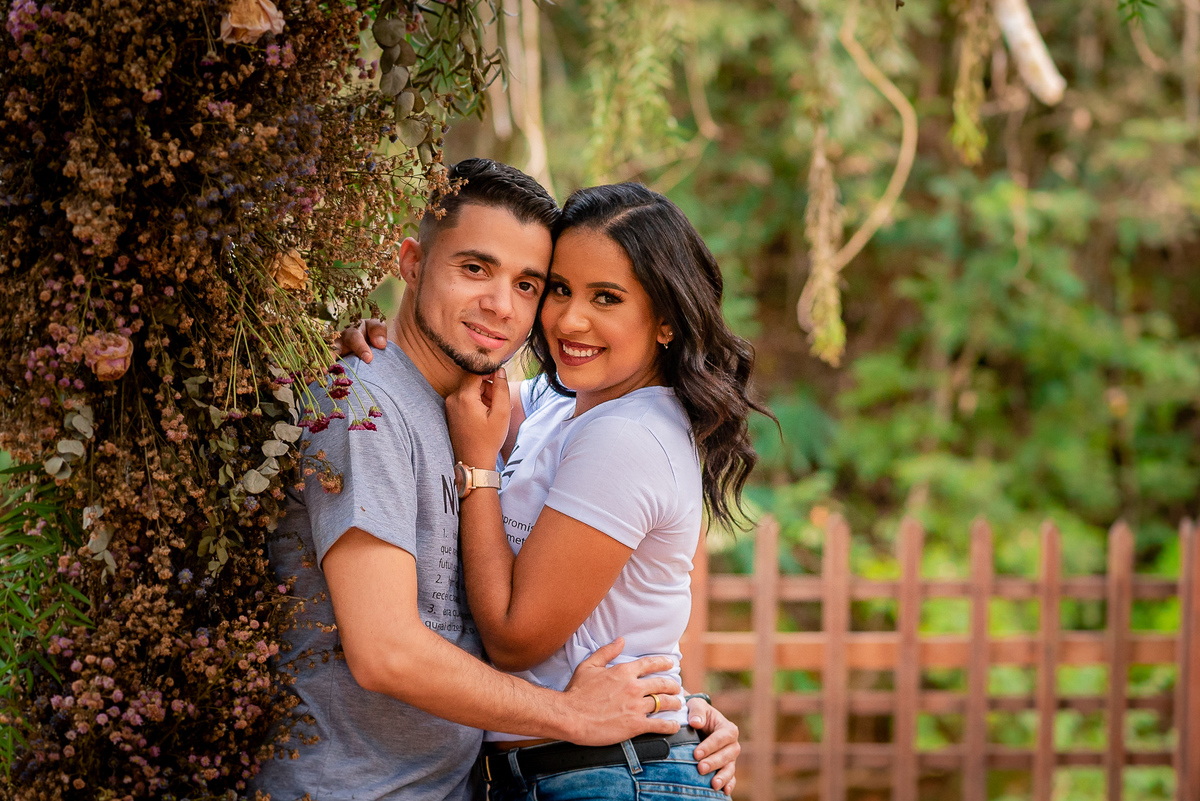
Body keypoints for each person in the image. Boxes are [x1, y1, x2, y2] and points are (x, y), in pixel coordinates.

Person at [254, 160, 739, 801]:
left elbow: (573, 614)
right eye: (475, 269)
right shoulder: (379, 406)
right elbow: (386, 651)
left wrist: (670, 714)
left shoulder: (545, 419)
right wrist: (577, 716)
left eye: (529, 284)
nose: (505, 305)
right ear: (412, 264)